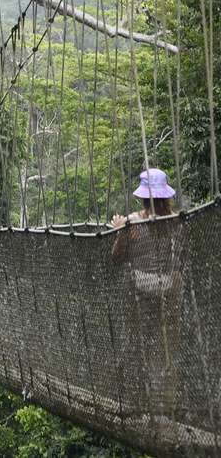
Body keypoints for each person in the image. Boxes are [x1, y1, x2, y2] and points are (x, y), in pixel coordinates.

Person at [109, 168, 183, 417]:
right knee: (164, 351)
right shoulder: (175, 219)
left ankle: (135, 404)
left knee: (135, 347)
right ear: (165, 196)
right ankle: (165, 407)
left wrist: (121, 230)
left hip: (138, 291)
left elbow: (117, 259)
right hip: (169, 292)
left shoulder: (133, 221)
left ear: (142, 196)